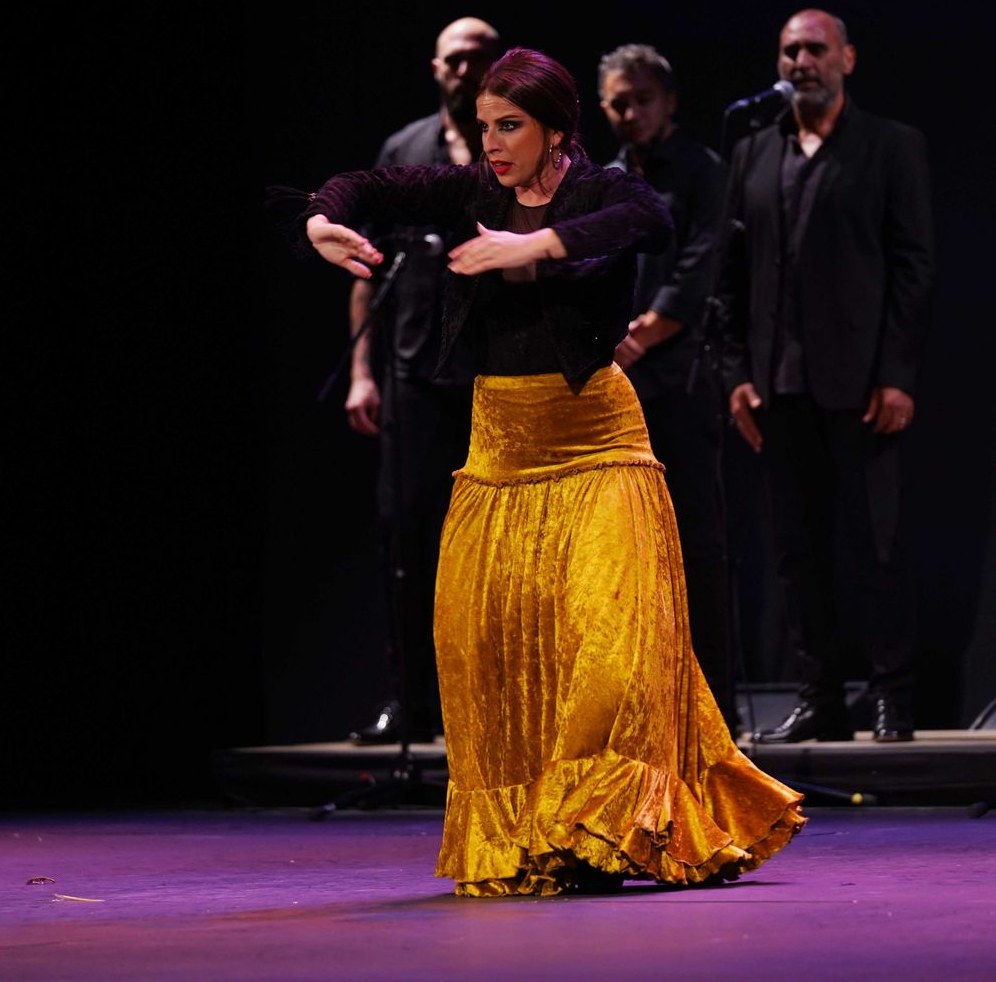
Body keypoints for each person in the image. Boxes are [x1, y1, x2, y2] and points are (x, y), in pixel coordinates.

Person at [306, 48, 803, 896]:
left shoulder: (604, 188)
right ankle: (535, 835)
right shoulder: (471, 192)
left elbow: (648, 224)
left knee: (610, 653)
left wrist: (532, 245)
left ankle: (607, 823)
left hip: (599, 444)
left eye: (511, 128)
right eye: (485, 126)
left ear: (556, 132)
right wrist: (322, 219)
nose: (492, 144)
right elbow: (369, 184)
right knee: (488, 654)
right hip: (500, 452)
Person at [721, 9, 934, 745]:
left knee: (875, 544)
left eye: (815, 49)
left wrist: (898, 373)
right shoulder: (751, 153)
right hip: (777, 385)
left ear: (848, 57)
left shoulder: (889, 147)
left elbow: (913, 268)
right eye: (789, 50)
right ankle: (819, 695)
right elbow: (729, 277)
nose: (801, 61)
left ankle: (891, 696)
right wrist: (736, 375)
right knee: (797, 552)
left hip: (861, 382)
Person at [343, 17, 501, 746]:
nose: (466, 71)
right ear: (435, 67)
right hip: (412, 370)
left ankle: (496, 705)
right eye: (456, 60)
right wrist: (360, 372)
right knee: (405, 538)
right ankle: (410, 701)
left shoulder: (517, 144)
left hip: (496, 373)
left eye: (480, 59)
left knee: (497, 548)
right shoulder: (403, 151)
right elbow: (367, 265)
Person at [597, 43, 736, 732]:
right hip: (615, 389)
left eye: (643, 99)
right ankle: (647, 710)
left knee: (697, 544)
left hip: (679, 378)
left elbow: (700, 265)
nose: (631, 113)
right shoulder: (603, 178)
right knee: (625, 555)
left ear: (670, 101)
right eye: (618, 102)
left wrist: (639, 336)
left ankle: (715, 713)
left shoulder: (704, 172)